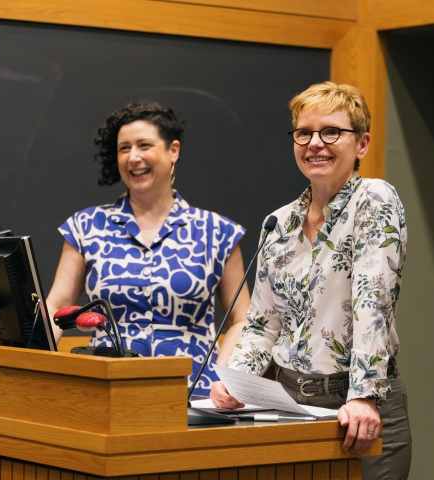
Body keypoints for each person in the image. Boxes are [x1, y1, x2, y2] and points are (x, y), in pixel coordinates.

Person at [210, 82, 411, 479]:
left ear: (362, 144)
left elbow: (373, 304)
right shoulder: (279, 222)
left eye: (331, 132)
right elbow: (262, 323)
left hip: (357, 409)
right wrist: (236, 380)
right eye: (304, 133)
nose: (315, 143)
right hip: (285, 407)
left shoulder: (374, 199)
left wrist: (363, 397)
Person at [46, 102, 250, 396]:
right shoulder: (86, 225)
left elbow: (241, 319)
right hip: (105, 389)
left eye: (144, 145)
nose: (134, 157)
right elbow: (57, 307)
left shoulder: (217, 232)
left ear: (173, 151)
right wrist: (32, 362)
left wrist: (226, 378)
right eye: (124, 148)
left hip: (192, 392)